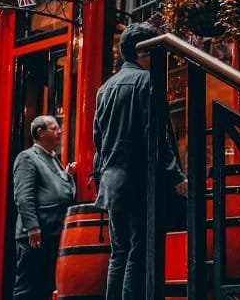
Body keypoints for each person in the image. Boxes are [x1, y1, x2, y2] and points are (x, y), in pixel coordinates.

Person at [92, 22, 186, 300]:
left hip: (111, 180)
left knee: (118, 252)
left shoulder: (105, 88)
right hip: (139, 179)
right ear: (141, 52)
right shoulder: (147, 82)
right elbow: (157, 135)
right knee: (139, 250)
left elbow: (98, 138)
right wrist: (175, 175)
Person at [12, 115, 77, 300]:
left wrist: (68, 175)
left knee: (45, 286)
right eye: (54, 128)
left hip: (52, 233)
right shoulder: (27, 157)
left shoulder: (53, 158)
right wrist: (33, 227)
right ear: (40, 132)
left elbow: (57, 188)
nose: (60, 131)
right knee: (27, 287)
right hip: (35, 234)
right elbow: (24, 196)